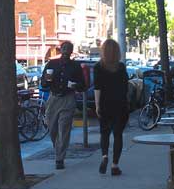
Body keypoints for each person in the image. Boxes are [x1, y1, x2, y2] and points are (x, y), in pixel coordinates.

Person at [41, 41, 85, 170]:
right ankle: (58, 149)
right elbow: (43, 83)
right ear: (60, 50)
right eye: (64, 48)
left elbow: (83, 85)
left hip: (68, 99)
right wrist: (47, 80)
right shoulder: (51, 64)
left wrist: (75, 85)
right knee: (52, 127)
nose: (66, 51)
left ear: (71, 51)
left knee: (64, 129)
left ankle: (59, 158)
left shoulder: (75, 66)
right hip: (53, 98)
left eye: (69, 49)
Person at [93, 39, 129, 176]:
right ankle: (115, 165)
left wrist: (97, 105)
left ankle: (104, 156)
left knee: (104, 132)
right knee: (118, 134)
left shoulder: (98, 67)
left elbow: (97, 87)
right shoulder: (121, 67)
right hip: (120, 104)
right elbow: (125, 87)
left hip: (104, 103)